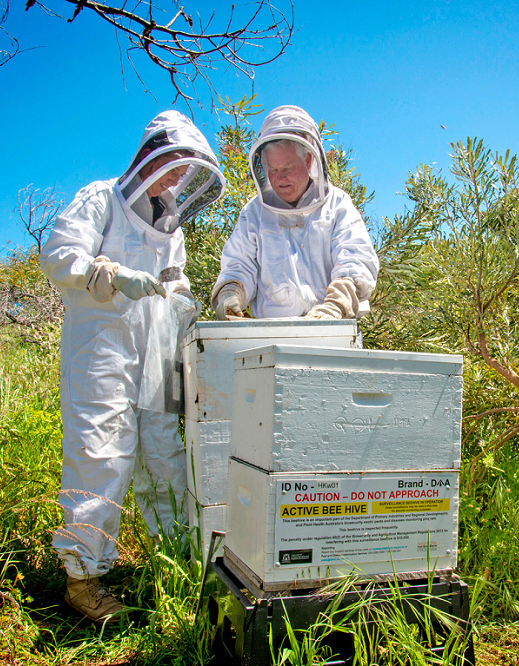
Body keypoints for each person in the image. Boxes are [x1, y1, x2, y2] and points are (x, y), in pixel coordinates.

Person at [39, 111, 225, 622]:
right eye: (169, 166)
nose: (173, 180)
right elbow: (59, 254)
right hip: (100, 350)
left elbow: (176, 278)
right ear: (149, 157)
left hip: (156, 357)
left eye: (181, 172)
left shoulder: (170, 223)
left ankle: (179, 564)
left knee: (165, 455)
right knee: (100, 453)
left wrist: (183, 300)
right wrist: (114, 275)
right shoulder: (101, 198)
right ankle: (83, 580)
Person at [211, 105, 378, 320]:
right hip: (271, 337)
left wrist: (337, 305)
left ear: (308, 161)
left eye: (288, 168)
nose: (280, 178)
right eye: (273, 170)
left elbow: (356, 257)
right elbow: (239, 264)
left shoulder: (338, 204)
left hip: (334, 333)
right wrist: (230, 293)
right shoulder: (254, 213)